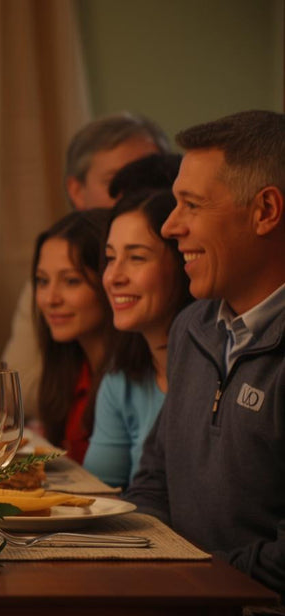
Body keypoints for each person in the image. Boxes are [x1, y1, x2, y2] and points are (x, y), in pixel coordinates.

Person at [124, 110, 285, 595]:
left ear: (265, 211)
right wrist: (149, 565)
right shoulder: (192, 327)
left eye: (191, 205)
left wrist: (188, 579)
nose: (170, 226)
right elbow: (153, 483)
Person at [3, 113, 169, 419]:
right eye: (115, 182)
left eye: (148, 180)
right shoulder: (57, 257)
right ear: (77, 191)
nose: (135, 196)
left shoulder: (184, 277)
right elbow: (14, 389)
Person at [83, 187, 192, 488]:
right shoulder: (122, 378)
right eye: (110, 258)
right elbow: (100, 493)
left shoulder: (215, 374)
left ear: (185, 264)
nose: (114, 277)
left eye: (137, 258)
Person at [32, 208, 114, 463]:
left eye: (71, 281)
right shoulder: (72, 368)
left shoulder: (129, 381)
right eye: (42, 281)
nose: (50, 299)